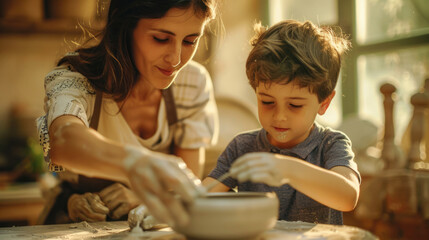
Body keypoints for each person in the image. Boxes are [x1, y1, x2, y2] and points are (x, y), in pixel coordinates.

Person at [36, 0, 219, 227]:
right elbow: (63, 141)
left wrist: (144, 200)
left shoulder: (192, 82)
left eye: (190, 41)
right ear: (125, 28)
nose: (176, 59)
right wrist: (135, 163)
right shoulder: (75, 77)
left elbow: (186, 186)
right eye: (161, 39)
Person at [203, 19, 361, 225]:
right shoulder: (242, 147)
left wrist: (286, 169)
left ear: (324, 103)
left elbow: (348, 197)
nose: (279, 116)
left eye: (294, 105)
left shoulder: (330, 145)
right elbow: (201, 197)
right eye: (267, 102)